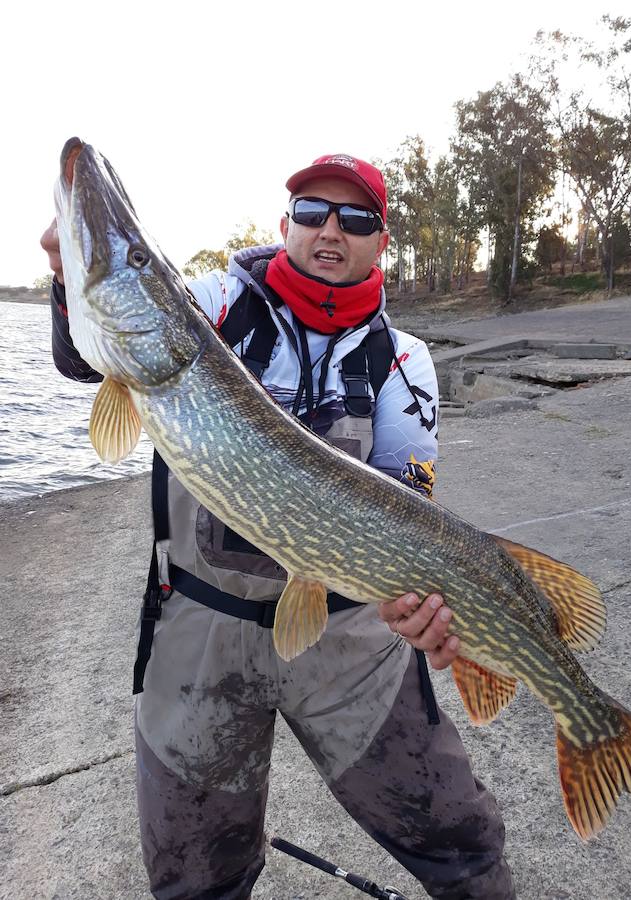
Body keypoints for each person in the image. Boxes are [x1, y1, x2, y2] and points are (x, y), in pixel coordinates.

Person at [41, 153, 515, 900]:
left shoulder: (403, 360)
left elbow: (406, 503)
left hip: (347, 634)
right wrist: (69, 283)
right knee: (197, 876)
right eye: (313, 212)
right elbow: (86, 358)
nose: (331, 231)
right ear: (285, 223)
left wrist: (421, 606)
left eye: (355, 218)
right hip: (202, 626)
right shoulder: (215, 301)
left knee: (459, 840)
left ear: (381, 240)